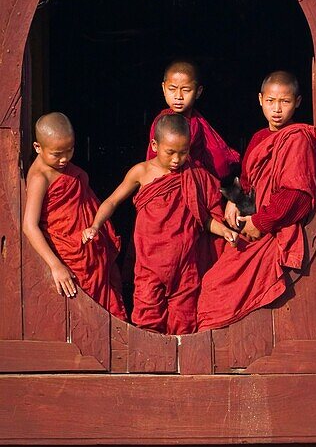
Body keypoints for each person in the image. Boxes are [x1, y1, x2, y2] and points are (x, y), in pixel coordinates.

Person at [83, 114, 237, 334]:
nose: (177, 159)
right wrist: (95, 225)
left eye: (183, 152)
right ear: (155, 145)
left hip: (185, 264)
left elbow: (203, 219)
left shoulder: (194, 175)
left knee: (184, 324)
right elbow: (112, 201)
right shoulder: (142, 172)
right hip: (149, 264)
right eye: (170, 152)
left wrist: (224, 231)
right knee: (147, 323)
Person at [196, 71, 316, 331]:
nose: (277, 109)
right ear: (260, 100)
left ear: (297, 102)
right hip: (254, 225)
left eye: (285, 102)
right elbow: (249, 180)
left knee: (216, 288)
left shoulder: (297, 139)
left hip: (273, 229)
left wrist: (261, 222)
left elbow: (296, 195)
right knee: (210, 278)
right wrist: (234, 199)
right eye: (271, 101)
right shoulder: (258, 138)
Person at [22, 112, 126, 318]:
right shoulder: (40, 177)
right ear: (37, 148)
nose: (64, 159)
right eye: (57, 153)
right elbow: (29, 225)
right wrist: (55, 265)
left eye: (69, 151)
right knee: (83, 313)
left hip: (89, 247)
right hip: (69, 254)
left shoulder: (64, 167)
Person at [146, 59, 239, 183]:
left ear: (198, 92)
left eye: (186, 90)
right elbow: (155, 158)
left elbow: (217, 158)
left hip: (196, 181)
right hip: (166, 182)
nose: (178, 96)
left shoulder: (197, 121)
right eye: (172, 89)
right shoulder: (162, 122)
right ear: (163, 88)